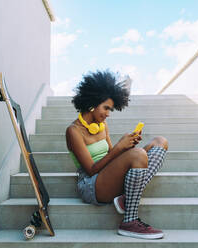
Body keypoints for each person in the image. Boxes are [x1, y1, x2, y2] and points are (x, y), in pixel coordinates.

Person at [65, 70, 169, 239]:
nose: (108, 114)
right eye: (106, 108)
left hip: (108, 176)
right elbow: (91, 169)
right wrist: (121, 149)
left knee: (160, 141)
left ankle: (127, 197)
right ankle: (129, 221)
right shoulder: (73, 131)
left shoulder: (102, 125)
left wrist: (127, 146)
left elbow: (113, 156)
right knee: (138, 155)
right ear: (92, 103)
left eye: (110, 109)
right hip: (91, 185)